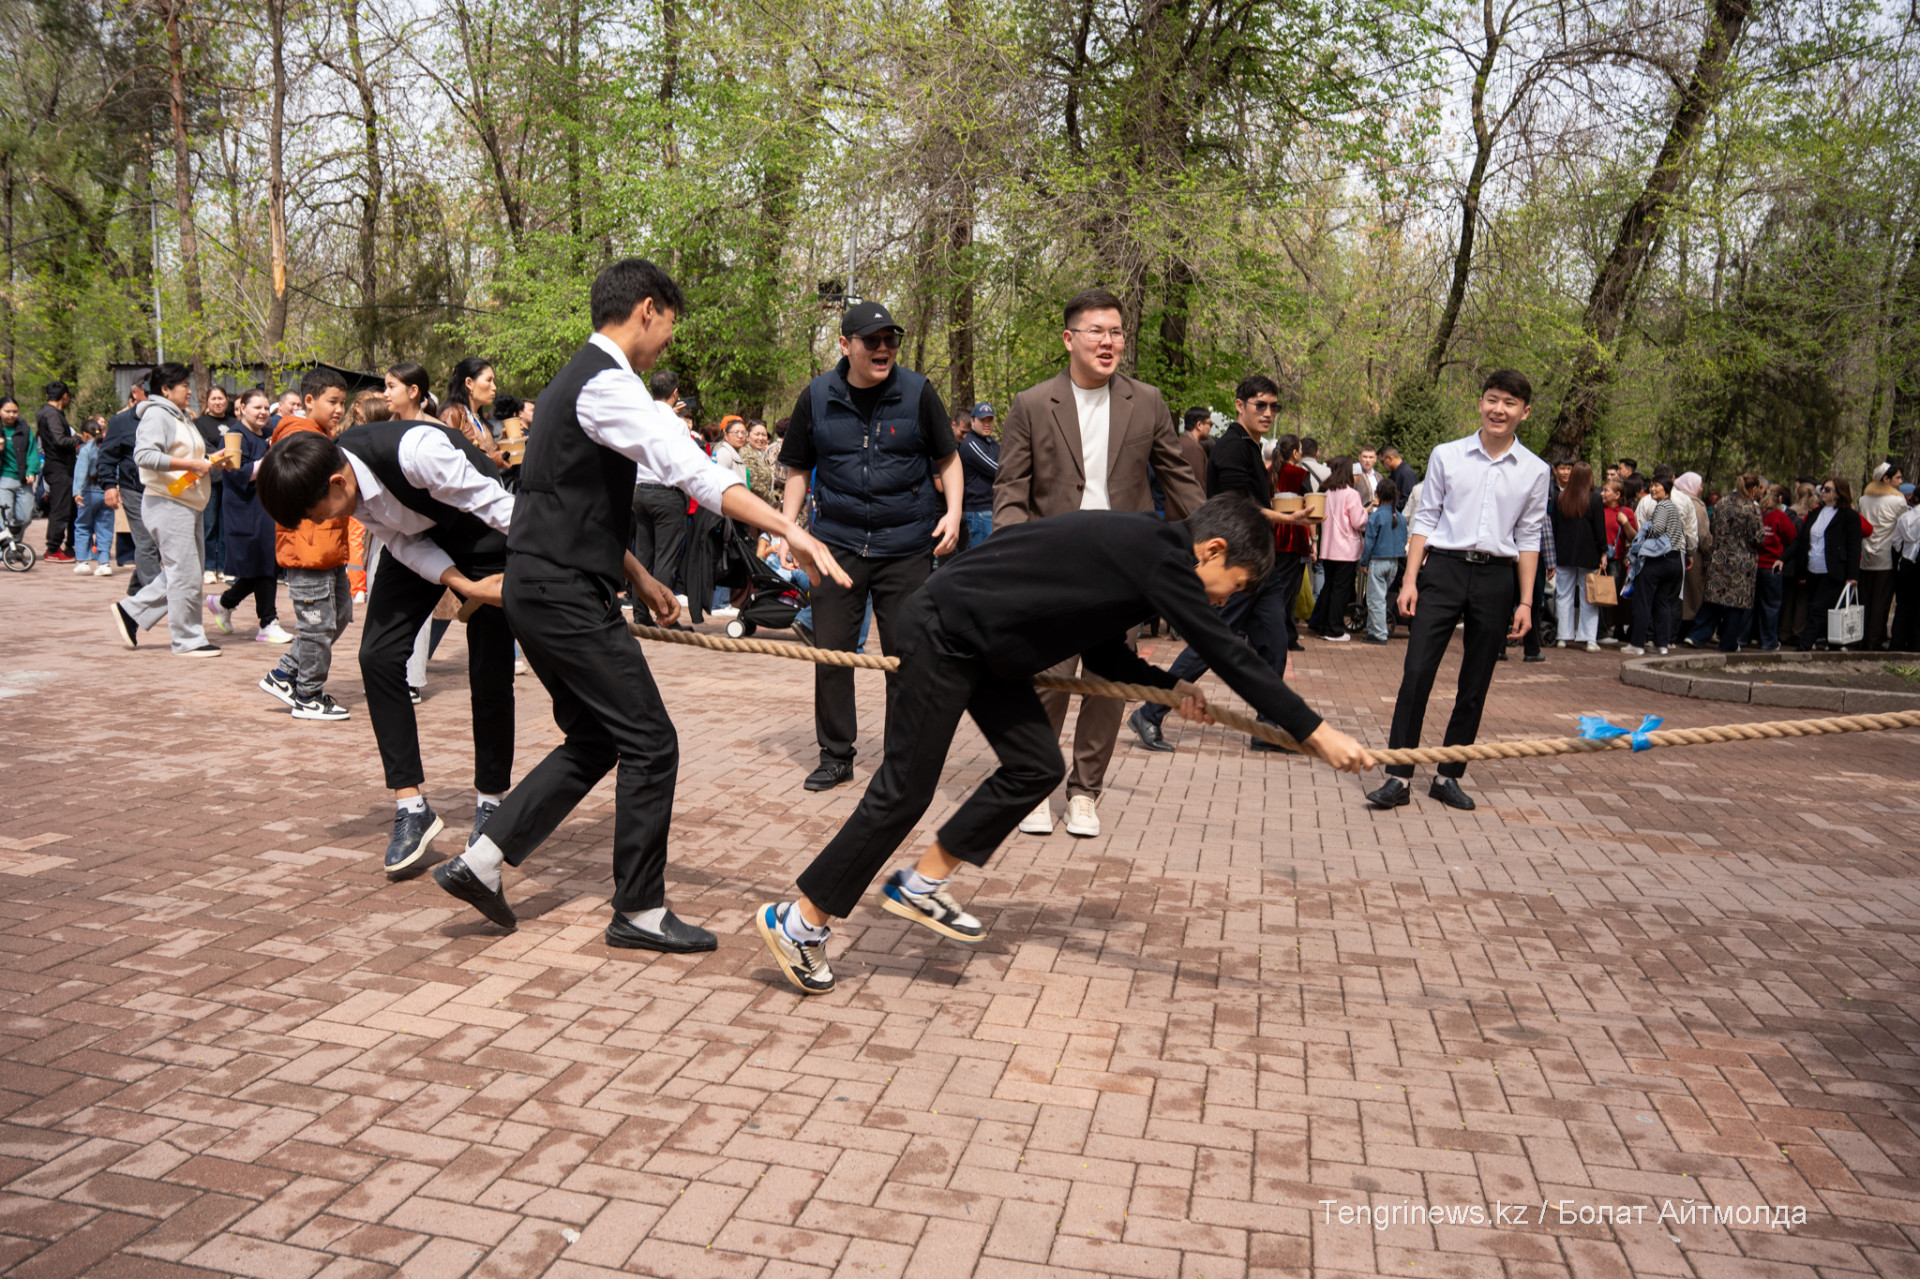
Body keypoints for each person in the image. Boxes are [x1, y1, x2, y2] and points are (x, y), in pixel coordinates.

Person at [753, 495, 1374, 995]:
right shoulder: (1159, 556)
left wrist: (1169, 686)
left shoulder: (1145, 555)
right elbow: (1229, 653)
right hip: (945, 633)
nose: (1223, 600)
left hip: (986, 650)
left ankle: (920, 884)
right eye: (1230, 585)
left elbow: (1103, 652)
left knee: (1034, 766)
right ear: (1211, 550)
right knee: (903, 791)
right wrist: (1315, 732)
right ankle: (799, 922)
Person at [426, 258, 848, 952]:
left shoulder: (572, 382)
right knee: (652, 742)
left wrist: (641, 576)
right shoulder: (607, 384)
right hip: (563, 595)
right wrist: (788, 527)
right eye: (669, 325)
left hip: (537, 586)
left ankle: (482, 861)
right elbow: (691, 471)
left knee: (597, 738)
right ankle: (640, 909)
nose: (668, 342)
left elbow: (567, 502)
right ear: (647, 309)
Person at [258, 418, 521, 876]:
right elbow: (401, 538)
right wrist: (460, 585)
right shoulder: (344, 486)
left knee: (489, 668)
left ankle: (491, 801)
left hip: (484, 531)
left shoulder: (417, 453)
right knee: (377, 655)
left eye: (318, 514)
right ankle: (412, 807)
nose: (322, 522)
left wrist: (557, 564)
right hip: (417, 541)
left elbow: (500, 508)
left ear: (337, 482)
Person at [993, 287, 1204, 838]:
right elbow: (1011, 490)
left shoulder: (1147, 401)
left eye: (1116, 332)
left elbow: (1179, 479)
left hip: (1122, 572)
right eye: (1096, 331)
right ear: (1070, 339)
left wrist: (1212, 538)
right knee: (1048, 679)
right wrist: (1013, 558)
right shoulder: (1032, 404)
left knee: (1108, 684)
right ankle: (1034, 787)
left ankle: (1085, 792)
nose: (1108, 342)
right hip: (1053, 569)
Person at [776, 300, 963, 793]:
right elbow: (797, 468)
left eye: (891, 340)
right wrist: (787, 529)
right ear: (845, 345)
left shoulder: (918, 392)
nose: (884, 349)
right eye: (872, 341)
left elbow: (948, 458)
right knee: (832, 656)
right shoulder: (816, 396)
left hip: (906, 546)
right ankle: (835, 755)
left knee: (906, 659)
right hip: (835, 547)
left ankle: (902, 761)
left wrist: (953, 512)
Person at [1365, 369, 1549, 813]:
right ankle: (1398, 775)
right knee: (1416, 672)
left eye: (1509, 403)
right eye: (1492, 399)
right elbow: (1426, 519)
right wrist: (1410, 580)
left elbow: (1529, 537)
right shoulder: (1447, 455)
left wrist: (1526, 601)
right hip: (1443, 571)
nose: (1498, 409)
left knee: (1475, 681)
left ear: (1525, 412)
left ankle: (1448, 776)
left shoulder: (1535, 470)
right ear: (1480, 402)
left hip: (1497, 578)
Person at [1126, 376, 1309, 752]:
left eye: (1274, 406)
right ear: (1240, 405)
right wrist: (1288, 519)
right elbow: (1235, 508)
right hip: (1235, 566)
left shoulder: (1251, 447)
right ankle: (1149, 712)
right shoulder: (1231, 447)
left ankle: (1267, 727)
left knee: (1275, 642)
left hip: (1261, 567)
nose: (1268, 413)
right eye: (1261, 405)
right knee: (1211, 643)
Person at [259, 368, 355, 717]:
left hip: (328, 549)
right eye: (333, 402)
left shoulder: (320, 436)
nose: (339, 409)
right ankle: (308, 695)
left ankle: (284, 673)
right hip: (307, 549)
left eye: (343, 403)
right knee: (317, 626)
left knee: (338, 617)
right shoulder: (298, 439)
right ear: (310, 400)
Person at [108, 364, 220, 656]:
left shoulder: (180, 417)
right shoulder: (158, 414)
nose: (190, 391)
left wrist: (211, 460)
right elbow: (144, 455)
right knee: (184, 574)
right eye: (184, 385)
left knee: (185, 572)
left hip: (185, 500)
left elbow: (185, 458)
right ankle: (187, 639)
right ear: (166, 390)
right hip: (168, 502)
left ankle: (131, 611)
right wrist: (192, 464)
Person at [204, 389, 292, 645]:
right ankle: (267, 622)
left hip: (267, 506)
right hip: (245, 508)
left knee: (264, 564)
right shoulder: (234, 436)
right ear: (242, 408)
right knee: (263, 563)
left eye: (266, 408)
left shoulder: (267, 434)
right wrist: (273, 457)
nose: (263, 412)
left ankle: (225, 602)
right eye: (257, 408)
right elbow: (237, 472)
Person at [1687, 473, 1765, 652]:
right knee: (1736, 603)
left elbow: (1713, 526)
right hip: (1741, 561)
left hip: (1719, 557)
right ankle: (1728, 642)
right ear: (1753, 488)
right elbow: (1758, 537)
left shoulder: (1721, 503)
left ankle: (1697, 635)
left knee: (1714, 599)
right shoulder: (1751, 508)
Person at [632, 368, 691, 592]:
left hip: (641, 491)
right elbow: (683, 460)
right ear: (675, 392)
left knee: (642, 555)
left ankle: (640, 609)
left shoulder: (641, 418)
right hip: (667, 493)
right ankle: (661, 608)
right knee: (665, 557)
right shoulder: (677, 424)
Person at [1791, 475, 1862, 651]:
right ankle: (1830, 642)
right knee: (1818, 607)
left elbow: (1854, 546)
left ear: (1838, 493)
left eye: (1827, 489)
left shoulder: (1849, 516)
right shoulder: (1816, 513)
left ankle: (1805, 644)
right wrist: (1784, 559)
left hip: (1834, 569)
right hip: (1813, 567)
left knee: (1818, 607)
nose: (1822, 491)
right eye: (1822, 488)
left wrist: (1852, 575)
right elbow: (1802, 540)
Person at [1547, 461, 1606, 651]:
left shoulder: (1561, 498)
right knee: (1589, 597)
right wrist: (1603, 551)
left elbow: (1554, 528)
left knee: (1564, 595)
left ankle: (1563, 636)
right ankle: (1589, 638)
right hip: (1589, 554)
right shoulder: (1594, 499)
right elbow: (1599, 529)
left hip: (1564, 553)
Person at [1625, 473, 1686, 655]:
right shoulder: (1673, 508)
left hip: (1657, 562)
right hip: (1674, 561)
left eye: (1656, 486)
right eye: (1651, 486)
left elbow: (1657, 529)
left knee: (1643, 602)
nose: (1652, 489)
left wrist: (1644, 532)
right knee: (1663, 603)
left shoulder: (1662, 507)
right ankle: (1662, 645)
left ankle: (1637, 644)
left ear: (1666, 489)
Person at [1307, 457, 1366, 641]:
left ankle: (1323, 625)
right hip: (1346, 549)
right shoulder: (1351, 494)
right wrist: (1366, 514)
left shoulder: (1327, 492)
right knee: (1340, 591)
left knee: (1329, 587)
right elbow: (1358, 522)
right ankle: (1334, 629)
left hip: (1328, 547)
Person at [1268, 433, 1314, 652]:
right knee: (1287, 591)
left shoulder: (1269, 472)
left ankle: (1283, 634)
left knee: (1274, 585)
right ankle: (1282, 635)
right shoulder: (1300, 474)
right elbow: (1310, 504)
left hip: (1270, 533)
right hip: (1292, 535)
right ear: (1295, 453)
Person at [1859, 461, 1906, 650]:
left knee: (1866, 600)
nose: (1900, 482)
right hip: (1886, 557)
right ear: (1886, 479)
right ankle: (1874, 640)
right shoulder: (1898, 501)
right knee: (1881, 601)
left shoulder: (1863, 500)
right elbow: (1903, 525)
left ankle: (1862, 638)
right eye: (1898, 478)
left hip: (1866, 556)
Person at [194, 385, 234, 584]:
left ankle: (224, 567)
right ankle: (209, 566)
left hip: (230, 479)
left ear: (227, 400)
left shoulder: (235, 423)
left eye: (221, 398)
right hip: (209, 479)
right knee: (209, 524)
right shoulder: (198, 423)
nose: (218, 402)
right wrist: (220, 457)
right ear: (207, 402)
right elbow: (202, 448)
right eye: (214, 399)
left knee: (226, 525)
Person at [1359, 478, 1407, 643]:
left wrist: (1364, 562)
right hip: (1394, 562)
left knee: (1375, 599)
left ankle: (1379, 634)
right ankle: (1372, 629)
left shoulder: (1376, 517)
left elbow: (1369, 543)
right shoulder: (1400, 517)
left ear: (1377, 494)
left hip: (1378, 561)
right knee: (1381, 598)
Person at [37, 380, 78, 561]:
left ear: (47, 395)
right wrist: (79, 439)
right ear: (65, 396)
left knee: (67, 509)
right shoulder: (52, 414)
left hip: (59, 467)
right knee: (60, 510)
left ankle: (67, 546)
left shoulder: (47, 413)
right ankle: (53, 549)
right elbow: (60, 440)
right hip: (59, 467)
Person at [1754, 483, 1796, 651]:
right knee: (1771, 605)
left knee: (1752, 605)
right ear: (1780, 498)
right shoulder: (1780, 516)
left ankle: (1743, 638)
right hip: (1772, 565)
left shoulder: (1758, 514)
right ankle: (1769, 641)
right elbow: (1792, 537)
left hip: (1755, 563)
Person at [70, 417, 115, 575]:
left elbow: (80, 472)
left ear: (85, 434)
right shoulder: (107, 447)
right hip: (106, 493)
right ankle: (104, 563)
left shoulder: (86, 449)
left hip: (88, 493)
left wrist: (77, 492)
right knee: (105, 528)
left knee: (83, 526)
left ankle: (83, 561)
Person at [958, 403, 1000, 550]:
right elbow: (998, 469)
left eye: (990, 420)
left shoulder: (991, 443)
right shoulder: (971, 444)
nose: (986, 424)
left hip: (992, 508)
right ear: (973, 421)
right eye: (982, 420)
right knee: (982, 555)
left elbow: (1007, 461)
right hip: (980, 511)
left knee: (993, 554)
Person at [1600, 478, 1637, 644]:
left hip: (1615, 559)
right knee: (1595, 592)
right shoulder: (1598, 508)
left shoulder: (1626, 512)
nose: (1603, 493)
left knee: (1608, 595)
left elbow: (1634, 537)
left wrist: (1625, 523)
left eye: (1606, 490)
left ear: (1617, 494)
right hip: (1597, 557)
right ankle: (1598, 631)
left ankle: (1605, 629)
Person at [0, 397, 36, 539]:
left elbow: (32, 452)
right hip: (4, 479)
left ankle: (15, 544)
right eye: (7, 411)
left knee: (25, 517)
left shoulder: (24, 429)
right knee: (4, 517)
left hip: (23, 479)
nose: (11, 415)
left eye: (15, 411)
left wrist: (31, 470)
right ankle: (5, 547)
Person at [1891, 486, 1920, 652]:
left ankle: (1897, 643)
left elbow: (1896, 541)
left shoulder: (1905, 517)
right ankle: (1916, 644)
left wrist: (1904, 548)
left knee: (1903, 604)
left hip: (1906, 562)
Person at [1176, 406, 1210, 482]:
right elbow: (1197, 482)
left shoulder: (1181, 442)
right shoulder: (1192, 448)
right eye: (1209, 424)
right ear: (1199, 425)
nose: (1210, 428)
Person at [1381, 446, 1418, 512]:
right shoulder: (1396, 472)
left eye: (1382, 462)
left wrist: (1386, 505)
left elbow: (1408, 500)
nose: (1382, 465)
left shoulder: (1406, 473)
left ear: (1390, 458)